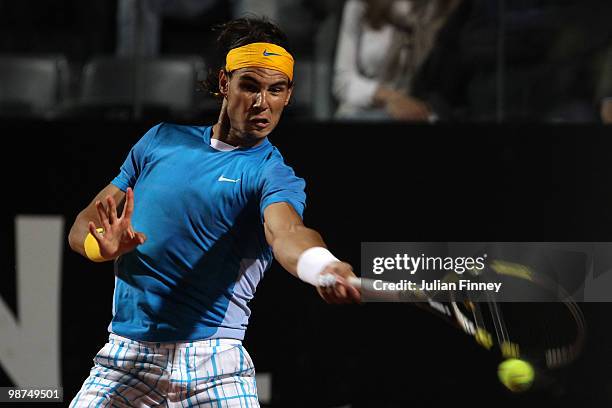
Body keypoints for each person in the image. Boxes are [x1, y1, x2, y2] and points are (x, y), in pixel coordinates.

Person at [68, 17, 360, 407]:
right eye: (250, 86)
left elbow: (287, 232)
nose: (262, 103)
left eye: (276, 90)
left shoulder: (271, 173)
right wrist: (98, 246)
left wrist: (321, 264)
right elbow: (83, 224)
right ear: (225, 83)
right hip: (126, 360)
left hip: (216, 369)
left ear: (288, 95)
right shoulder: (159, 141)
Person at [332, 0, 460, 121]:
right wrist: (392, 98)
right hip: (363, 112)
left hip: (424, 113)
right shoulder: (361, 4)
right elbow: (343, 82)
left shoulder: (447, 8)